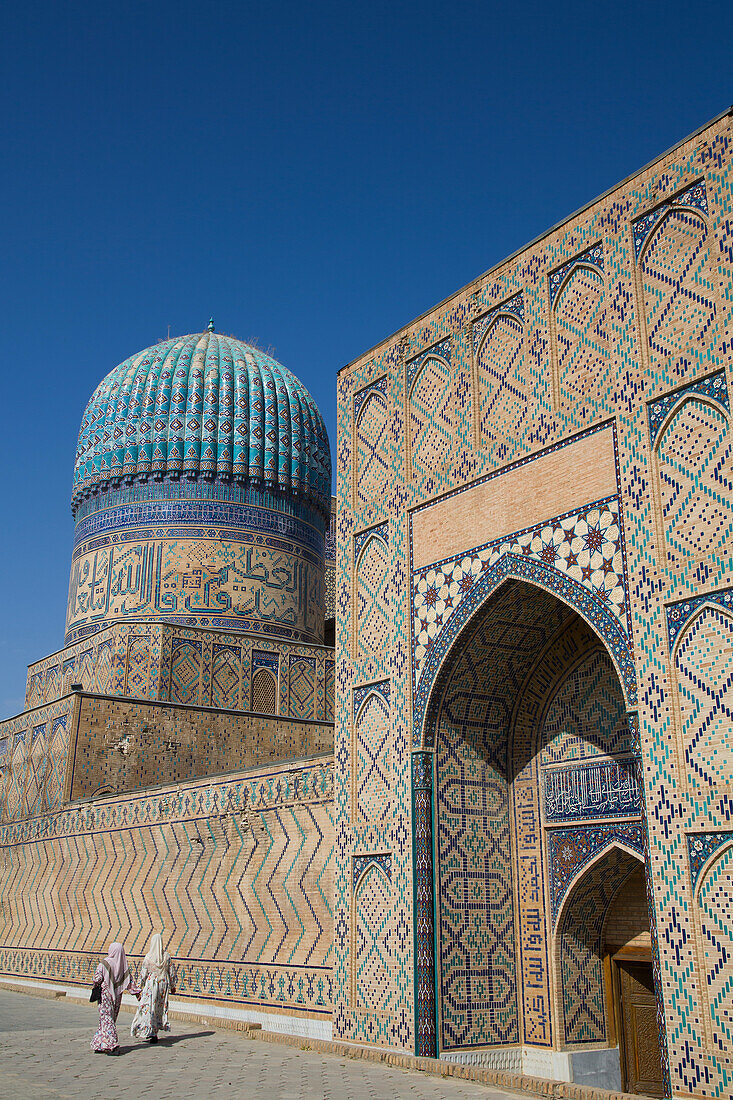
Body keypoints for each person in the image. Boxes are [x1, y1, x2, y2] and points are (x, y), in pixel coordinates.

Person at [91, 942, 140, 1054]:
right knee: (109, 1019)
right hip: (117, 996)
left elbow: (97, 978)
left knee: (106, 1018)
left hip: (105, 995)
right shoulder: (123, 965)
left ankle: (111, 1044)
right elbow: (130, 983)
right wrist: (137, 993)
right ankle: (99, 1043)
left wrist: (95, 984)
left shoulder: (104, 963)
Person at [131, 933, 175, 1043]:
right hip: (162, 985)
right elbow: (171, 973)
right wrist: (173, 986)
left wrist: (138, 987)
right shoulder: (166, 957)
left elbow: (143, 974)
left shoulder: (148, 957)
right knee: (157, 1009)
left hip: (151, 985)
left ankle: (150, 1031)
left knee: (148, 1008)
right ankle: (154, 1031)